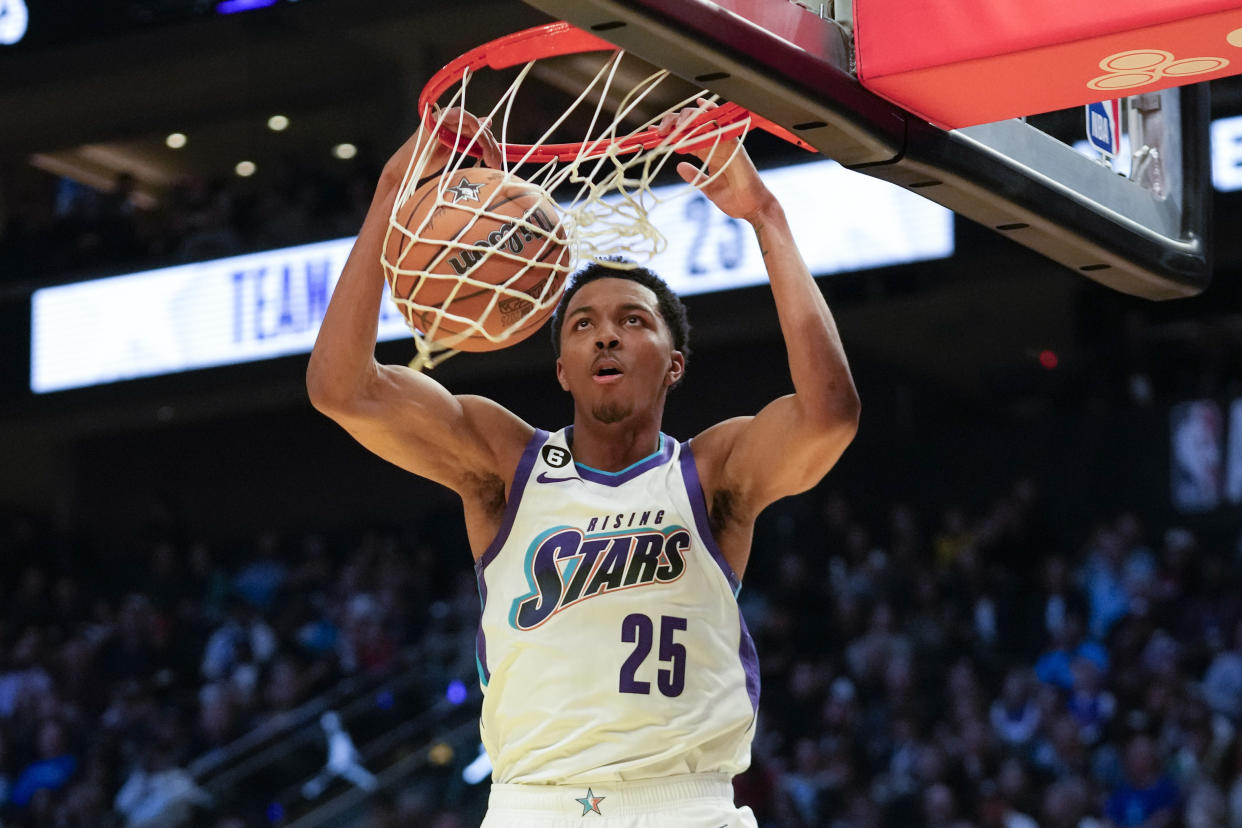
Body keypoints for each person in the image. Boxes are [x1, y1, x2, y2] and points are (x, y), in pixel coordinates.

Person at [306, 102, 860, 827]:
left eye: (633, 321)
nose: (606, 337)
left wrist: (766, 217)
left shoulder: (714, 472)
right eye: (583, 325)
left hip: (683, 806)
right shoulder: (504, 465)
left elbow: (830, 414)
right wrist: (388, 197)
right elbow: (341, 389)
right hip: (534, 806)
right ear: (561, 367)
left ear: (673, 365)